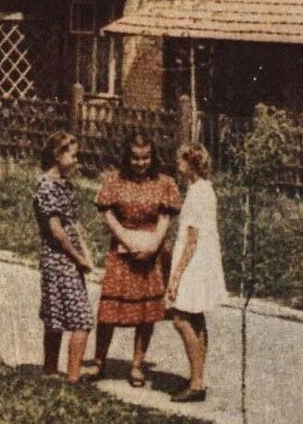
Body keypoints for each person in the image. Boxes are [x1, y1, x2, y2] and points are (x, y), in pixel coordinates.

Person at [85, 134, 181, 387]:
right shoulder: (114, 180)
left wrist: (153, 245)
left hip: (151, 251)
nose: (141, 163)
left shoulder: (164, 183)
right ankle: (99, 362)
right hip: (122, 249)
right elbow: (107, 212)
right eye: (135, 158)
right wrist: (126, 240)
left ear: (153, 157)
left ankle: (137, 364)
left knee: (146, 312)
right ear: (127, 157)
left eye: (146, 158)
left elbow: (165, 217)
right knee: (109, 309)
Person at [165, 144, 225, 403]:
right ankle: (197, 376)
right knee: (196, 317)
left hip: (193, 263)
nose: (177, 164)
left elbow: (191, 241)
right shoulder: (204, 188)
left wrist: (176, 275)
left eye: (181, 160)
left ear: (191, 163)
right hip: (204, 261)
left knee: (180, 318)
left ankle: (197, 382)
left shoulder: (196, 194)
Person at [34, 131, 94, 382]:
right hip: (58, 257)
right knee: (80, 319)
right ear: (57, 156)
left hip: (69, 257)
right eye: (73, 155)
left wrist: (86, 254)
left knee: (57, 315)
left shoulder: (65, 185)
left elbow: (74, 224)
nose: (76, 160)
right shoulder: (47, 186)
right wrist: (77, 257)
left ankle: (52, 371)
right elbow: (57, 231)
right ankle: (71, 377)